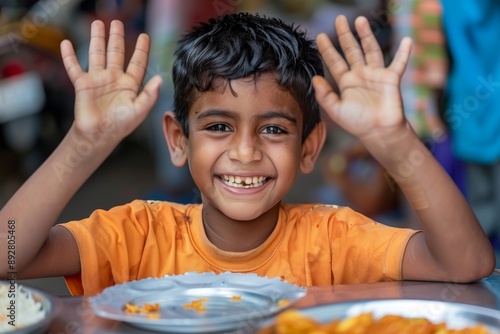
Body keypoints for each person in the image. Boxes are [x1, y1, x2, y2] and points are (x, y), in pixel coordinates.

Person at [0, 13, 494, 296]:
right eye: (217, 126)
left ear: (309, 149)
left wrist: (397, 144)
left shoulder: (335, 238)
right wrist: (81, 148)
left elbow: (466, 263)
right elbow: (8, 252)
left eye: (274, 129)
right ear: (177, 139)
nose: (244, 151)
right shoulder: (135, 235)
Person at [440, 1, 500, 252]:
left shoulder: (452, 5)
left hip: (468, 105)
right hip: (489, 104)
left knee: (479, 200)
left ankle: (480, 263)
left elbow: (460, 54)